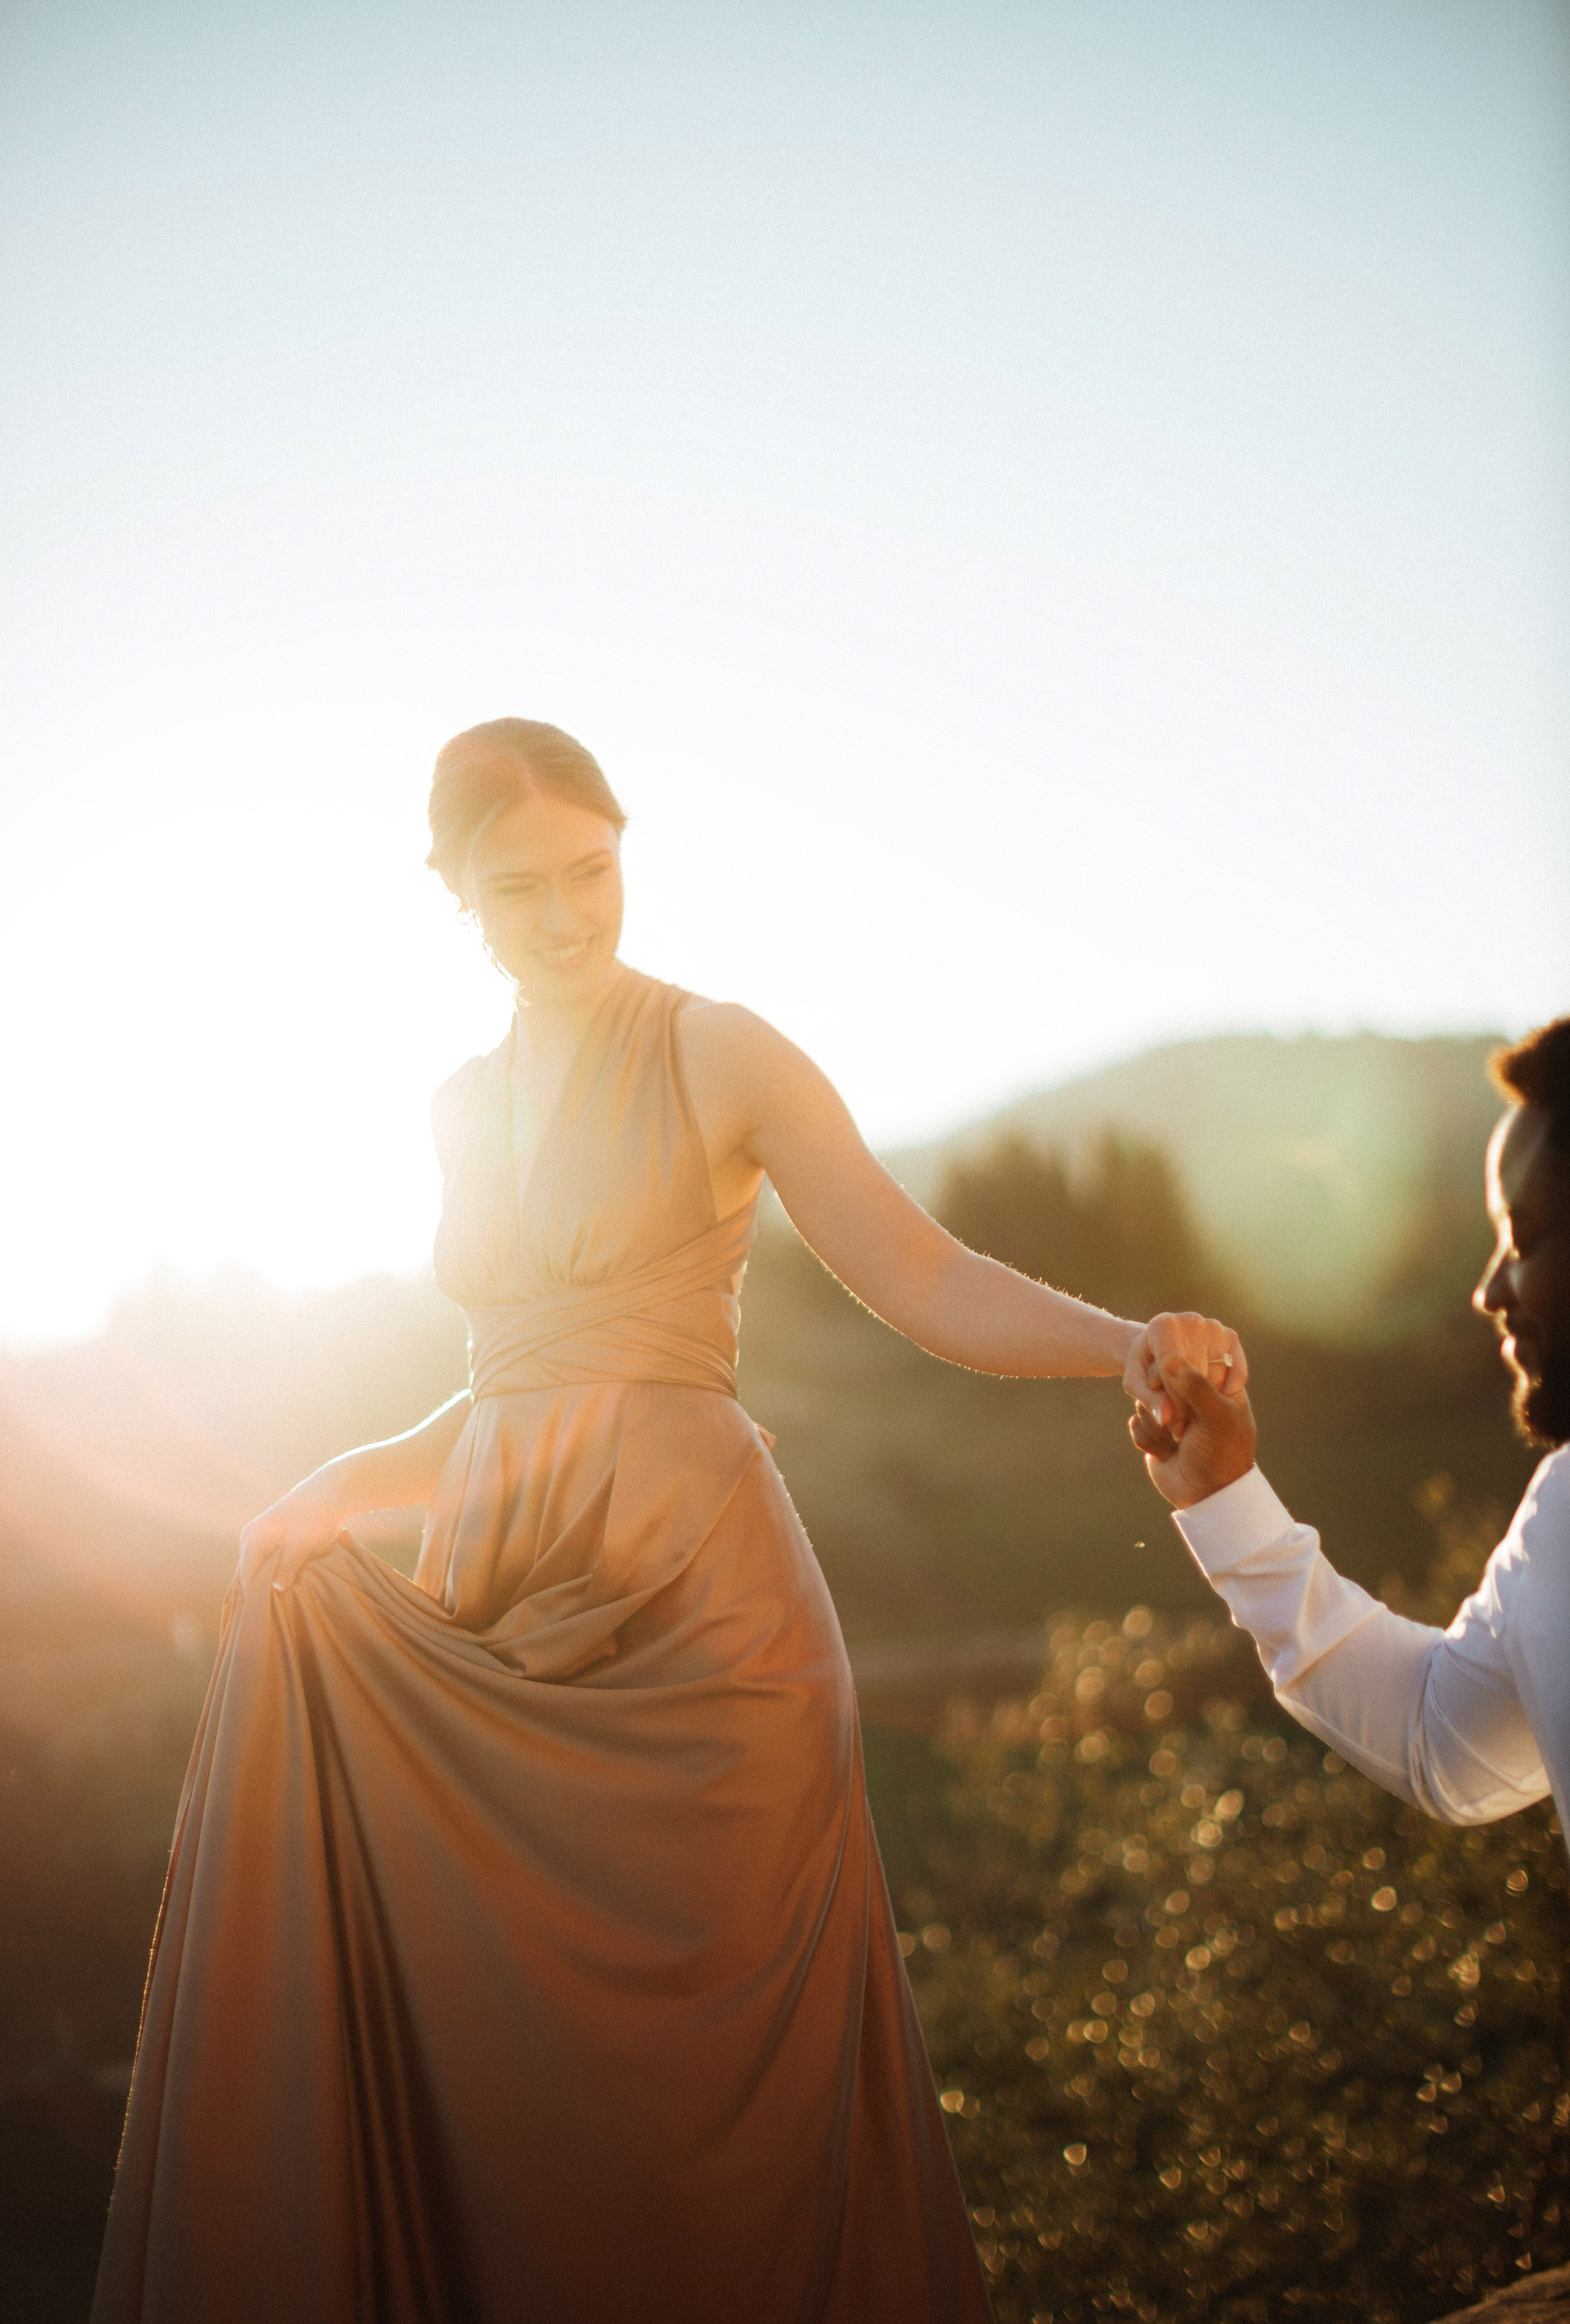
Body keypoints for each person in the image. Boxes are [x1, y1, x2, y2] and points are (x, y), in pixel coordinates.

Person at [92, 717, 1245, 2324]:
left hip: (710, 1643)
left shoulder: (720, 1052)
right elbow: (509, 1393)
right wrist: (334, 1488)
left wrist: (1119, 1342)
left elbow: (920, 1272)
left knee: (713, 2139)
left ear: (624, 848)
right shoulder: (454, 1105)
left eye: (591, 870)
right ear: (453, 895)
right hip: (506, 1623)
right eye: (519, 890)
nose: (567, 916)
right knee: (517, 2117)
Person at [1128, 1017, 1570, 1838]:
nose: (1490, 1292)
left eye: (1524, 1239)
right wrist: (1226, 1497)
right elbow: (1439, 1742)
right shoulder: (1564, 1516)